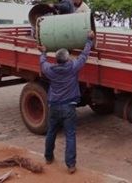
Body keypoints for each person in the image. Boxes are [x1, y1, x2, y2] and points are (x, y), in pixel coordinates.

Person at [38, 30, 95, 174]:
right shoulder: (73, 67)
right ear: (67, 59)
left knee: (51, 132)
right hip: (68, 107)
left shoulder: (50, 70)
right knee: (70, 135)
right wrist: (89, 40)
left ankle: (48, 157)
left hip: (54, 106)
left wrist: (44, 52)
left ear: (56, 59)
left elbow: (43, 62)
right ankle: (70, 165)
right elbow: (84, 55)